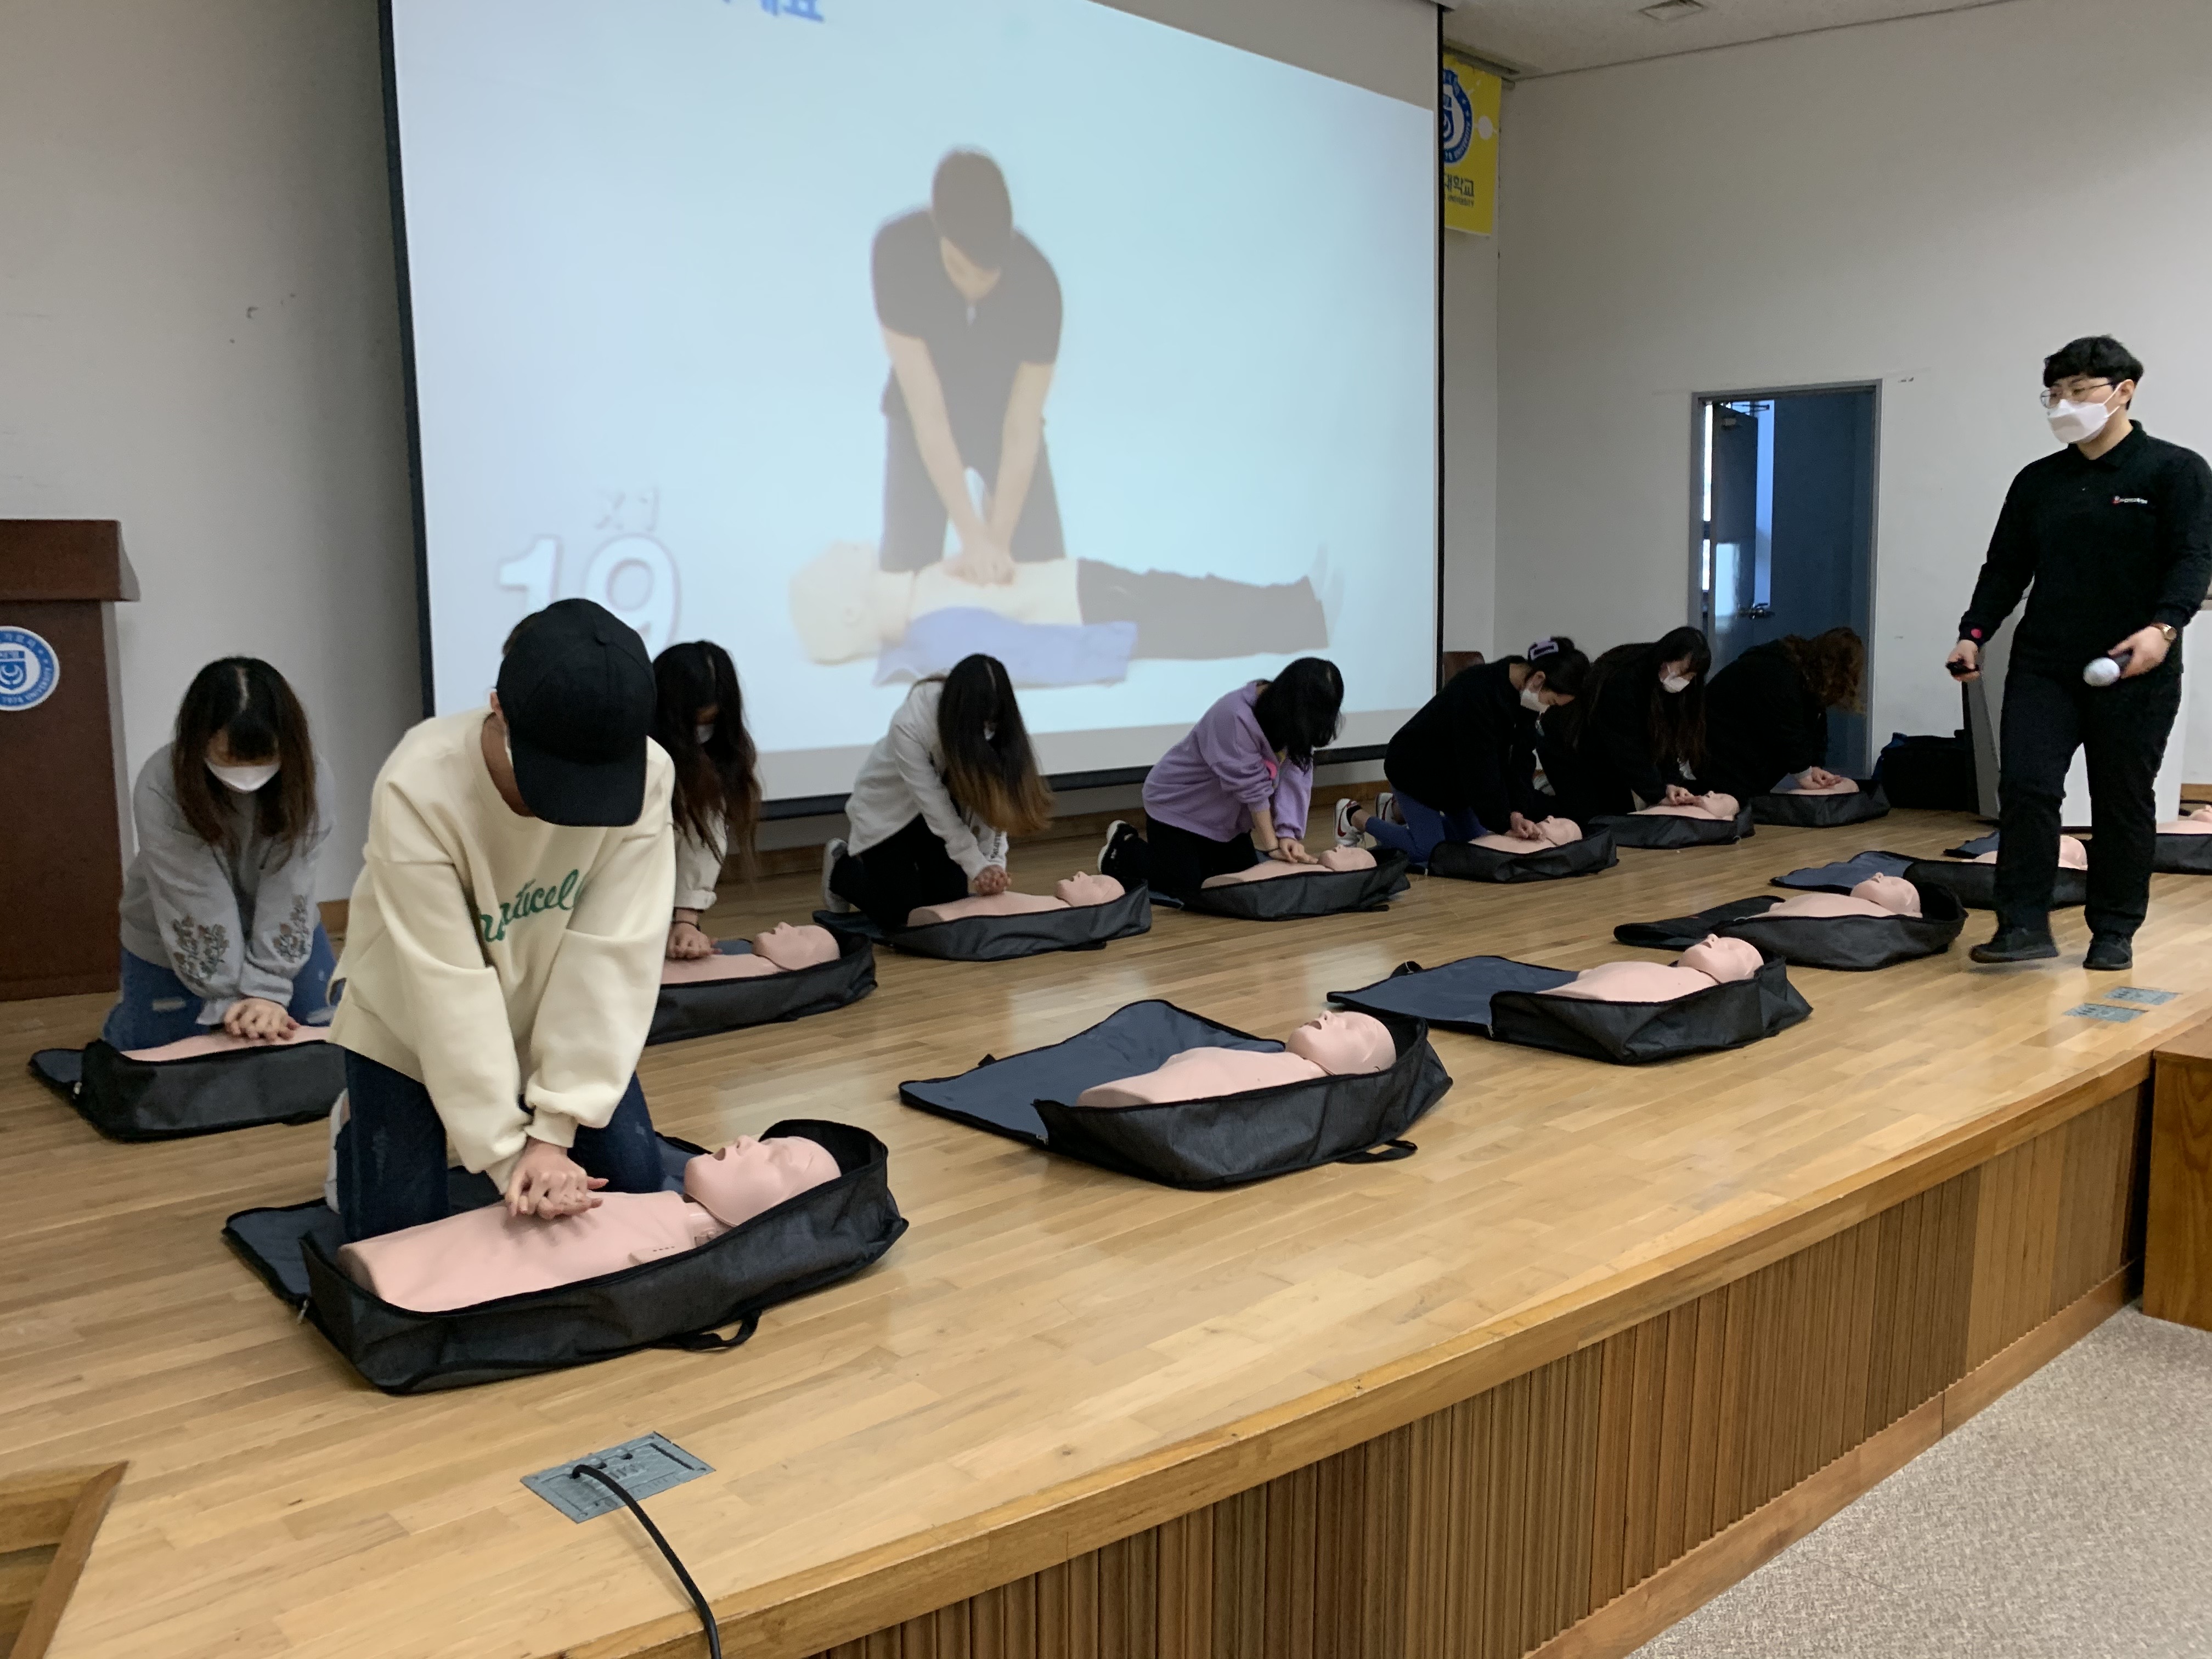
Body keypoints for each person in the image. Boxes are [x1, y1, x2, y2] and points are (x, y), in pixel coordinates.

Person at [328, 599, 675, 1243]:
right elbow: (447, 984)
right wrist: (509, 1154)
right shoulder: (419, 782)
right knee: (398, 1237)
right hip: (409, 1015)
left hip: (543, 998)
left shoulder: (647, 775)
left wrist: (555, 1129)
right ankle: (358, 1118)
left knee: (637, 1189)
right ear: (499, 708)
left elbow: (611, 953)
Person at [1948, 335, 2212, 970]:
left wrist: (2164, 629)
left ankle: (2114, 930)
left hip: (2135, 666)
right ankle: (2022, 925)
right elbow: (2005, 567)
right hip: (2045, 663)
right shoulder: (2039, 481)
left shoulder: (2175, 471)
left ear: (2124, 391)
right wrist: (1973, 632)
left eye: (2079, 391)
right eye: (2055, 394)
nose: (2064, 404)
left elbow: (2193, 559)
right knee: (2027, 788)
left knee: (2122, 799)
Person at [103, 658, 335, 1051]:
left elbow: (290, 881)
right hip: (174, 930)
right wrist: (232, 1002)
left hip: (280, 928)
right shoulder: (162, 782)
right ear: (199, 739)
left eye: (264, 757)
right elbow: (193, 894)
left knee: (326, 1034)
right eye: (230, 757)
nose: (248, 772)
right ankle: (125, 1019)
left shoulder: (312, 778)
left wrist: (267, 990)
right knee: (161, 1052)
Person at [874, 149, 1062, 583]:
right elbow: (928, 413)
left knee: (1041, 573)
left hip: (1002, 418)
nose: (972, 286)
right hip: (920, 417)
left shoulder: (1039, 286)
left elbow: (1022, 427)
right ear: (937, 227)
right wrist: (972, 538)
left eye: (986, 275)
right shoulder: (897, 253)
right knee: (906, 576)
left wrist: (997, 543)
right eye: (959, 269)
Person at [825, 653, 1054, 932]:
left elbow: (994, 800)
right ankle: (841, 869)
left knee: (948, 907)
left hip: (941, 814)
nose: (986, 733)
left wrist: (993, 864)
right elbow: (933, 804)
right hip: (888, 811)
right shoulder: (910, 724)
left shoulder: (995, 727)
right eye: (981, 726)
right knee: (904, 918)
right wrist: (976, 865)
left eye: (991, 725)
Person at [1097, 658, 1345, 895]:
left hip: (1225, 819)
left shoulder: (1296, 723)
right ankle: (1122, 848)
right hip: (1178, 806)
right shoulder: (1234, 715)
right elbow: (1254, 790)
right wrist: (1271, 846)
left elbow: (1296, 779)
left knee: (1238, 883)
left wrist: (1288, 834)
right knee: (1186, 887)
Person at [1334, 639, 1589, 866]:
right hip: (1415, 769)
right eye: (1551, 702)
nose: (1547, 710)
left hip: (1456, 779)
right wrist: (1503, 821)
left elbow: (1521, 759)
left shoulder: (1526, 698)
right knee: (1429, 852)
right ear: (1539, 679)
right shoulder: (1477, 690)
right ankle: (1353, 816)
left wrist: (1517, 812)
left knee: (1476, 844)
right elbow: (1479, 766)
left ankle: (1394, 812)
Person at [652, 641, 761, 961]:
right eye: (694, 724)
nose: (701, 735)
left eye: (709, 724)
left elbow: (705, 836)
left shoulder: (719, 758)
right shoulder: (636, 757)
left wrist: (686, 921)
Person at [1543, 627, 1713, 821]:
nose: (1683, 681)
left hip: (1606, 748)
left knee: (1617, 815)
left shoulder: (1671, 689)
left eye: (1690, 677)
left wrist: (1671, 784)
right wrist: (1659, 792)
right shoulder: (1624, 679)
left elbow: (1666, 739)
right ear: (1666, 658)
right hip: (1571, 744)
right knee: (1593, 819)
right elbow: (1627, 747)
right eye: (1681, 672)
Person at [1701, 628, 1866, 799]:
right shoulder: (1780, 674)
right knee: (1738, 796)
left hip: (1729, 736)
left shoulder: (1804, 677)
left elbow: (1814, 722)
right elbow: (1789, 730)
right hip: (1718, 740)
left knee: (1746, 794)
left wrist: (1814, 766)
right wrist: (1805, 773)